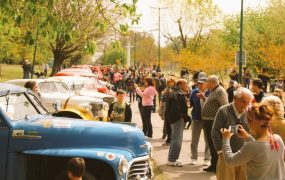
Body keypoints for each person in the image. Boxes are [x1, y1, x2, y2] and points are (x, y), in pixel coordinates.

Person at [221, 104, 285, 179]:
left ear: (253, 122)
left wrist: (226, 139)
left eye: (247, 120)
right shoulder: (277, 139)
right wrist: (247, 137)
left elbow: (230, 161)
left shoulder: (252, 146)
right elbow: (260, 149)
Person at [212, 87, 253, 180]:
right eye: (243, 101)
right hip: (226, 154)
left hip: (243, 155)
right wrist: (220, 151)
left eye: (248, 102)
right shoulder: (223, 111)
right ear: (234, 98)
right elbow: (215, 131)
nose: (246, 105)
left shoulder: (250, 113)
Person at [201, 75, 228, 172]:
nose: (206, 85)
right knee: (211, 143)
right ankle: (214, 164)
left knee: (214, 143)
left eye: (207, 83)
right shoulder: (214, 91)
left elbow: (225, 107)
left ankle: (217, 166)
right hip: (208, 121)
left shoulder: (220, 91)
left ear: (212, 83)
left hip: (213, 122)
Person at [166, 79, 190, 167]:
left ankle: (171, 158)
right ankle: (172, 159)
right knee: (177, 140)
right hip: (177, 120)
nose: (187, 86)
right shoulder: (178, 94)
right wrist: (185, 117)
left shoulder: (173, 92)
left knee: (174, 139)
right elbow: (176, 109)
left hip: (174, 119)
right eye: (185, 84)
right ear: (180, 85)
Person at [189, 72, 210, 166]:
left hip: (208, 119)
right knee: (194, 140)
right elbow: (191, 104)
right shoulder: (194, 92)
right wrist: (188, 104)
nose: (200, 84)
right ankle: (194, 157)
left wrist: (203, 97)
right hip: (196, 118)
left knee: (208, 140)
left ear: (207, 82)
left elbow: (212, 104)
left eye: (202, 82)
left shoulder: (211, 92)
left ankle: (207, 158)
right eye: (199, 82)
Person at [159, 77, 176, 146]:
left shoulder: (176, 90)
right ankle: (168, 140)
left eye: (171, 82)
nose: (170, 84)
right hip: (167, 109)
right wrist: (164, 94)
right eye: (169, 82)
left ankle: (172, 141)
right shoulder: (166, 89)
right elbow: (162, 99)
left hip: (173, 110)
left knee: (172, 127)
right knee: (167, 126)